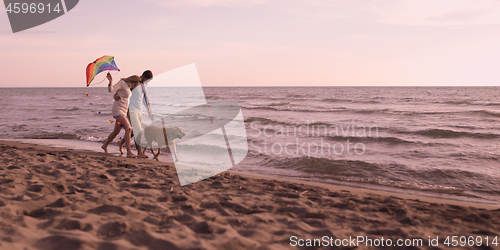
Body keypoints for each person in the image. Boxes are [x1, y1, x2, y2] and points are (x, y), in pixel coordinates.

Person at [101, 73, 141, 158]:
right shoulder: (122, 83)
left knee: (116, 131)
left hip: (123, 111)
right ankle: (129, 152)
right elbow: (111, 90)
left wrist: (116, 95)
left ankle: (104, 145)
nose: (135, 86)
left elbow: (121, 95)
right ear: (133, 81)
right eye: (135, 84)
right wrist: (110, 81)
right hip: (118, 110)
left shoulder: (129, 88)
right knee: (128, 128)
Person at [115, 70, 153, 158]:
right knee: (138, 130)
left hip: (139, 110)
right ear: (143, 77)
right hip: (130, 109)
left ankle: (122, 142)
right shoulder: (135, 83)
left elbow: (144, 98)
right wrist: (116, 96)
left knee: (134, 129)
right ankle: (139, 152)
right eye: (147, 80)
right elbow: (123, 90)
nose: (148, 82)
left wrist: (149, 110)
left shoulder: (145, 85)